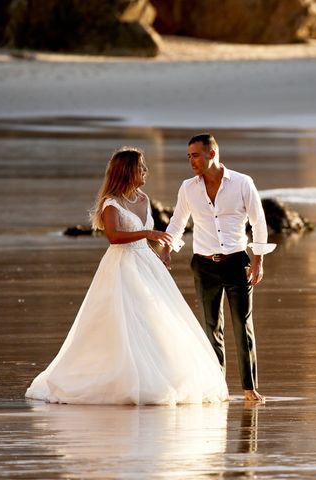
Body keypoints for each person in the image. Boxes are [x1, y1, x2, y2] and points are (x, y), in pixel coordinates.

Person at [25, 147, 228, 405]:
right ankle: (119, 377)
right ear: (128, 171)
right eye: (141, 167)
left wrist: (160, 251)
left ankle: (160, 375)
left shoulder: (143, 198)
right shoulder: (111, 202)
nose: (146, 171)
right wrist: (148, 235)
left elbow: (146, 233)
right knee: (123, 321)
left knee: (157, 320)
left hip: (147, 263)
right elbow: (114, 238)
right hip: (122, 265)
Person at [160, 134, 275, 402]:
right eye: (188, 156)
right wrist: (167, 248)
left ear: (212, 154)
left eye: (195, 155)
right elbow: (178, 222)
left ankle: (249, 388)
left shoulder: (243, 183)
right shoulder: (188, 188)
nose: (191, 161)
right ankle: (216, 387)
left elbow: (258, 222)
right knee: (211, 328)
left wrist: (258, 260)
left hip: (237, 262)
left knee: (242, 326)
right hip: (203, 266)